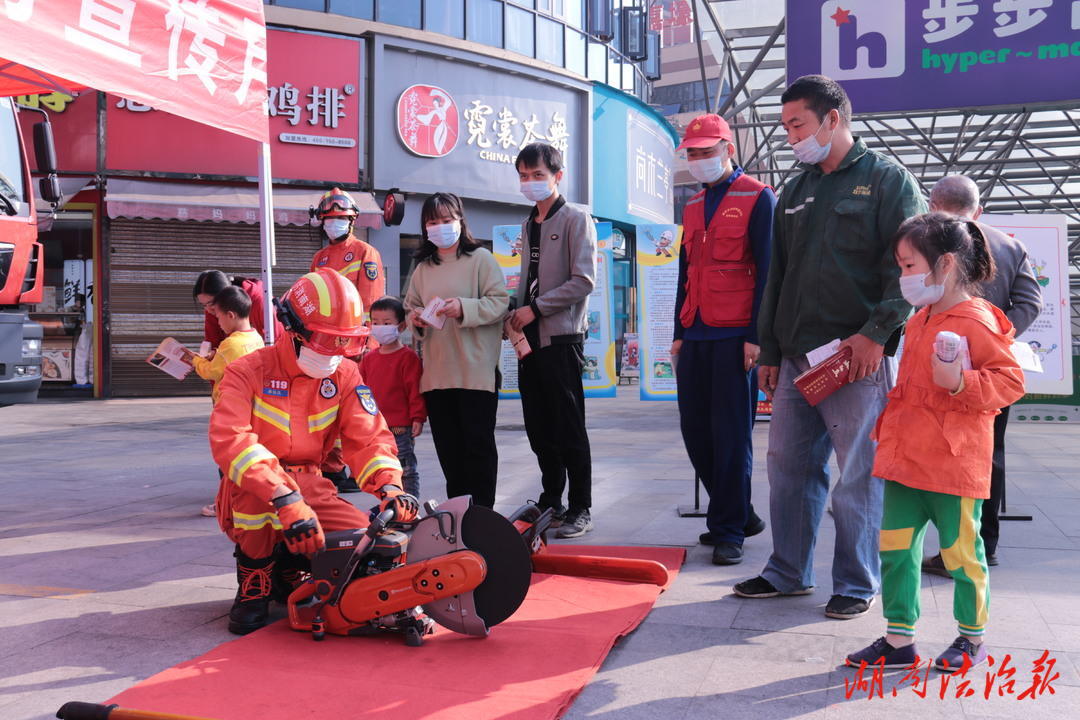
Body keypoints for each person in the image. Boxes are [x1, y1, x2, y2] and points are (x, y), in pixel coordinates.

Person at [734, 75, 927, 619]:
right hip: (796, 356)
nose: (791, 136)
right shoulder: (794, 190)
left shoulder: (887, 181)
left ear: (832, 119)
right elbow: (779, 278)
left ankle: (856, 581)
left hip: (855, 356)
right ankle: (787, 571)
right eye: (786, 126)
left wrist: (877, 334)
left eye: (797, 124)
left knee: (859, 473)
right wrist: (769, 350)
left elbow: (907, 271)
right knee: (788, 466)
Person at [845, 213, 1024, 671]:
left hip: (951, 464)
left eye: (909, 266)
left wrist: (962, 382)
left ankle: (971, 637)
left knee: (962, 554)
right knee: (896, 550)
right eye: (901, 266)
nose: (903, 276)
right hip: (905, 459)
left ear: (944, 265)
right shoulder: (922, 316)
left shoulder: (976, 319)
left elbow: (1009, 381)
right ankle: (899, 639)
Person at [208, 268, 416, 635]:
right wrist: (284, 495)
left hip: (311, 482)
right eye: (326, 339)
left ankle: (289, 565)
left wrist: (390, 488)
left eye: (343, 341)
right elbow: (232, 440)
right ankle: (255, 582)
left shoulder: (345, 375)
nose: (335, 352)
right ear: (294, 328)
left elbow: (368, 438)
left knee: (362, 543)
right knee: (257, 503)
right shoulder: (247, 370)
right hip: (256, 489)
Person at [921, 175, 1041, 574]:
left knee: (929, 452)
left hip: (931, 368)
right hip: (991, 373)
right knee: (990, 455)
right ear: (978, 210)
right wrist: (994, 340)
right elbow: (1029, 303)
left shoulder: (921, 241)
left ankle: (935, 544)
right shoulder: (1010, 245)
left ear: (932, 202)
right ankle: (981, 547)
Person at [670, 113, 776, 566]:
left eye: (706, 151)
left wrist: (758, 337)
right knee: (696, 431)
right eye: (692, 153)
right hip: (695, 332)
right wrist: (677, 333)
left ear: (727, 150)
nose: (698, 160)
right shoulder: (692, 207)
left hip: (736, 335)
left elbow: (770, 272)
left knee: (731, 436)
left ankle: (729, 528)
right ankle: (738, 512)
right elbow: (685, 272)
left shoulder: (758, 197)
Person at [507, 142, 597, 539]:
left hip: (562, 339)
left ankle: (581, 506)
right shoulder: (530, 222)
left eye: (538, 176)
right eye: (524, 177)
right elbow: (529, 277)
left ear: (558, 176)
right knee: (539, 426)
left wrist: (536, 308)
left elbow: (583, 280)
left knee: (568, 426)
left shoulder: (577, 218)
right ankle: (551, 499)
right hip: (528, 340)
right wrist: (515, 309)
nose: (530, 183)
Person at [404, 193, 509, 509]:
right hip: (437, 374)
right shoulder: (424, 267)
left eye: (446, 220)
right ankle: (460, 516)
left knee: (478, 449)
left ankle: (483, 515)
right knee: (449, 453)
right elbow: (411, 308)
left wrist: (462, 307)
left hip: (475, 372)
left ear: (461, 221)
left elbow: (499, 303)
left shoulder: (481, 259)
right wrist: (417, 318)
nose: (440, 227)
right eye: (433, 222)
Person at [309, 187, 386, 493]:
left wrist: (367, 344)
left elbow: (371, 302)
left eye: (340, 218)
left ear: (351, 220)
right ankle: (331, 467)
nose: (334, 223)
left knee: (356, 410)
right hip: (326, 346)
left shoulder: (366, 253)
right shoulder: (321, 257)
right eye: (329, 218)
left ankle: (354, 468)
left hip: (356, 345)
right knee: (327, 407)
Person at [185, 286, 266, 517]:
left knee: (228, 458)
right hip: (251, 406)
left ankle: (227, 503)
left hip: (229, 408)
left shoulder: (231, 343)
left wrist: (196, 360)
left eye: (218, 315)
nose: (217, 321)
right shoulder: (255, 338)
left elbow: (211, 372)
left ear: (230, 315)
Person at [361, 296, 425, 499]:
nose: (380, 328)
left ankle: (410, 504)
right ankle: (390, 504)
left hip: (401, 427)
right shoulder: (369, 359)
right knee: (381, 469)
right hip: (376, 428)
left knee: (405, 468)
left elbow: (415, 390)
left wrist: (418, 417)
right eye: (376, 323)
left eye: (387, 323)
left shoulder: (408, 358)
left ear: (401, 326)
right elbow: (360, 392)